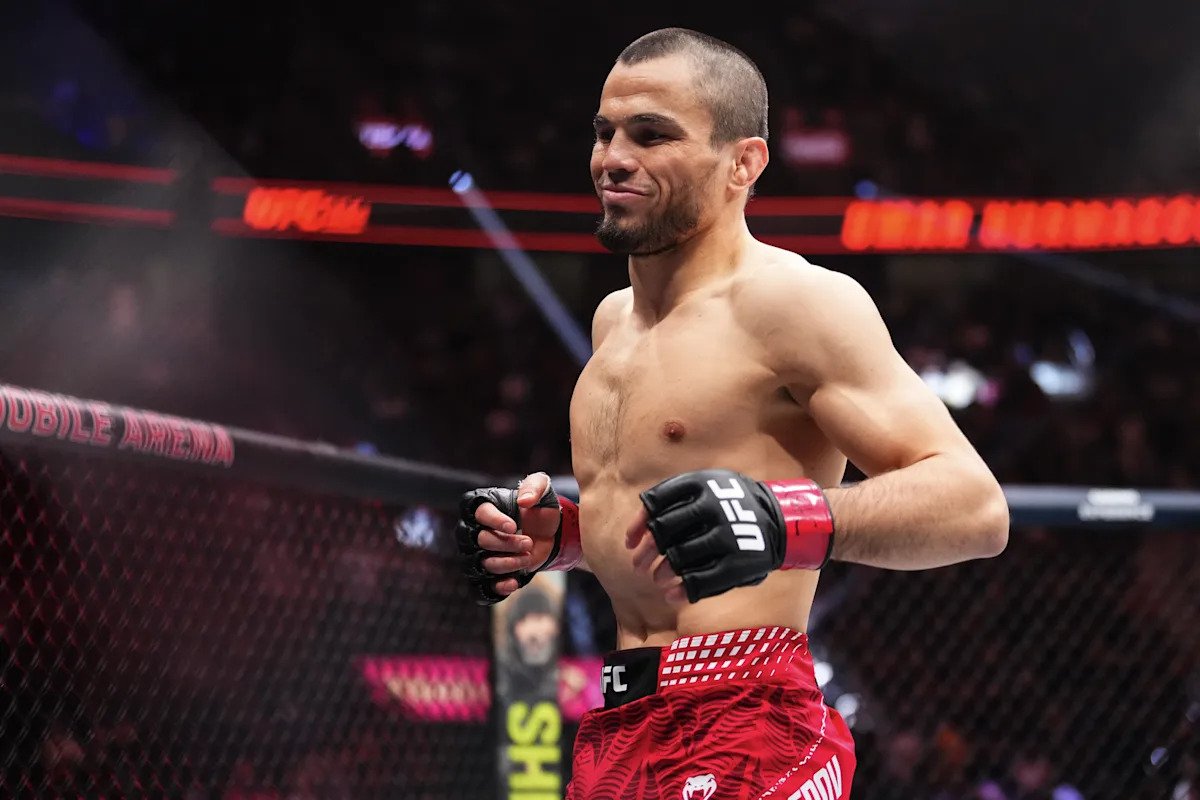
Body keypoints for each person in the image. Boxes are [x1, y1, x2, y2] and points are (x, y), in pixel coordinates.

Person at [456, 26, 1010, 800]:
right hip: (619, 724)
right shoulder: (613, 323)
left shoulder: (795, 301)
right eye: (606, 132)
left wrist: (785, 519)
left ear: (743, 164)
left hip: (749, 718)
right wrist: (565, 540)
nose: (614, 157)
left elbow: (975, 507)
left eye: (652, 135)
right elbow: (679, 526)